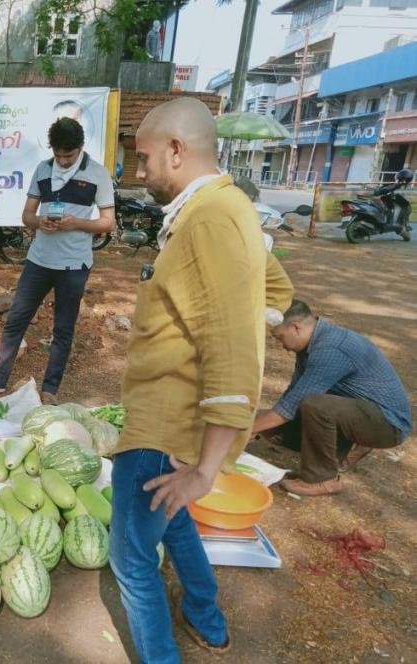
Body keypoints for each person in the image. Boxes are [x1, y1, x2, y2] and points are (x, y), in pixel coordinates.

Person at [109, 97, 293, 663]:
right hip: (176, 424)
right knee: (173, 518)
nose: (140, 175)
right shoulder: (226, 207)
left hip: (164, 424)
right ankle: (206, 616)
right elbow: (275, 293)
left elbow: (232, 341)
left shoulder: (211, 219)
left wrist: (207, 467)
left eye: (144, 161)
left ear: (176, 150)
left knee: (132, 557)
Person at [0, 117, 115, 405]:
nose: (62, 161)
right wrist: (39, 222)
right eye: (58, 155)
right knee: (16, 320)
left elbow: (108, 223)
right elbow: (27, 215)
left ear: (81, 148)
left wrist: (76, 223)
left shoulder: (98, 174)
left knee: (63, 328)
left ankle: (50, 391)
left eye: (68, 156)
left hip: (74, 265)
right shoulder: (43, 169)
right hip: (39, 261)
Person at [251, 300, 411, 496]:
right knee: (272, 426)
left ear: (295, 327)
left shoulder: (330, 349)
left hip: (388, 424)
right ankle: (339, 453)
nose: (281, 345)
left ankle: (323, 479)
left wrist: (244, 430)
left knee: (315, 405)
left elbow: (291, 407)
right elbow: (293, 395)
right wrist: (257, 424)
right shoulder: (311, 345)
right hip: (357, 411)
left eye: (280, 337)